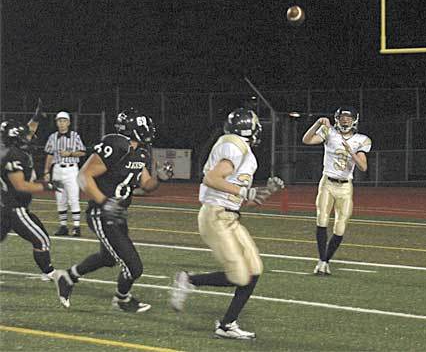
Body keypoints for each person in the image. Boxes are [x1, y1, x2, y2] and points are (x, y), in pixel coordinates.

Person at [170, 108, 284, 340]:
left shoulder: (243, 151)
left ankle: (227, 324)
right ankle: (189, 280)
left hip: (230, 216)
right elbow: (212, 178)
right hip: (216, 216)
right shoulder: (234, 146)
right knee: (241, 276)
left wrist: (264, 192)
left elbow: (243, 197)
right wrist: (247, 191)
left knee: (254, 270)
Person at [54, 108, 173, 311]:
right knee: (134, 266)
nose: (148, 130)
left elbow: (147, 185)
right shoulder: (115, 145)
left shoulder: (141, 152)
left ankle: (68, 276)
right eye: (144, 126)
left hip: (117, 214)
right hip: (101, 212)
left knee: (107, 258)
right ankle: (121, 299)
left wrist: (159, 178)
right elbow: (84, 176)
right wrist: (104, 202)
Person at [302, 106, 371, 275]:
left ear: (354, 120)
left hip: (346, 186)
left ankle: (325, 260)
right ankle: (322, 261)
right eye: (342, 117)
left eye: (348, 117)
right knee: (322, 219)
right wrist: (317, 123)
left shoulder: (362, 140)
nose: (345, 120)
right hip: (327, 182)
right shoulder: (329, 132)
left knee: (340, 227)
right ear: (337, 118)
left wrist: (351, 152)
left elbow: (363, 166)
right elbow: (307, 140)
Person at [0, 99, 63, 281]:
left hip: (9, 206)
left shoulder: (12, 148)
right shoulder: (12, 155)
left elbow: (29, 129)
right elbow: (21, 186)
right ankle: (50, 273)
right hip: (14, 208)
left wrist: (36, 116)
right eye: (21, 136)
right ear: (14, 138)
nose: (27, 137)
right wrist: (47, 185)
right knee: (41, 240)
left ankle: (47, 272)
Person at [43, 111, 86, 237]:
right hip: (57, 169)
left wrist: (70, 154)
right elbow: (49, 154)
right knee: (60, 199)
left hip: (71, 168)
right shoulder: (52, 137)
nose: (61, 124)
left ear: (68, 122)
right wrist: (46, 171)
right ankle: (63, 226)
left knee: (73, 198)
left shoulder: (75, 136)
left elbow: (83, 152)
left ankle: (76, 227)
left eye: (64, 121)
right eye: (59, 121)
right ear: (56, 123)